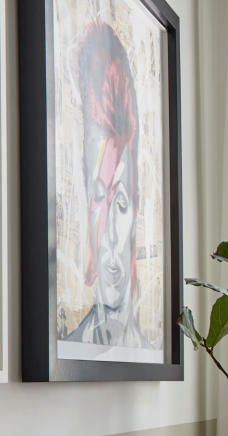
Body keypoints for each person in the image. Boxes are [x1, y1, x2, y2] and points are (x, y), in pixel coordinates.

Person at [67, 21, 148, 347]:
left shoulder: (144, 351)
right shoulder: (72, 345)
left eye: (122, 203)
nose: (111, 236)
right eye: (99, 198)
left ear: (136, 208)